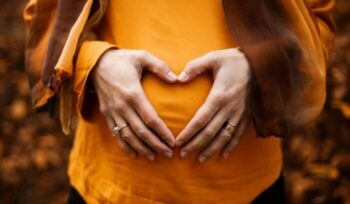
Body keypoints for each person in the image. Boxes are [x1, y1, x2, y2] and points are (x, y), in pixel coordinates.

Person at [23, 0, 335, 203]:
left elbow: (317, 25)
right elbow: (44, 20)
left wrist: (259, 67)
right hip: (109, 190)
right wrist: (93, 65)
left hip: (247, 191)